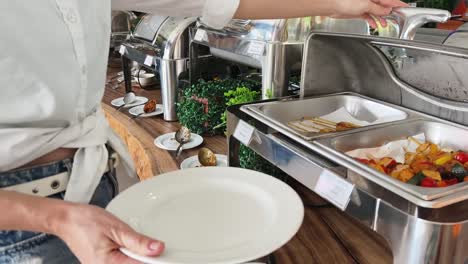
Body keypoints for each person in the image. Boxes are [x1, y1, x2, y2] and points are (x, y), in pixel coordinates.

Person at [0, 0, 406, 263]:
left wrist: (335, 5)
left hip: (92, 188)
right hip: (22, 223)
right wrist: (57, 219)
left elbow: (216, 1)